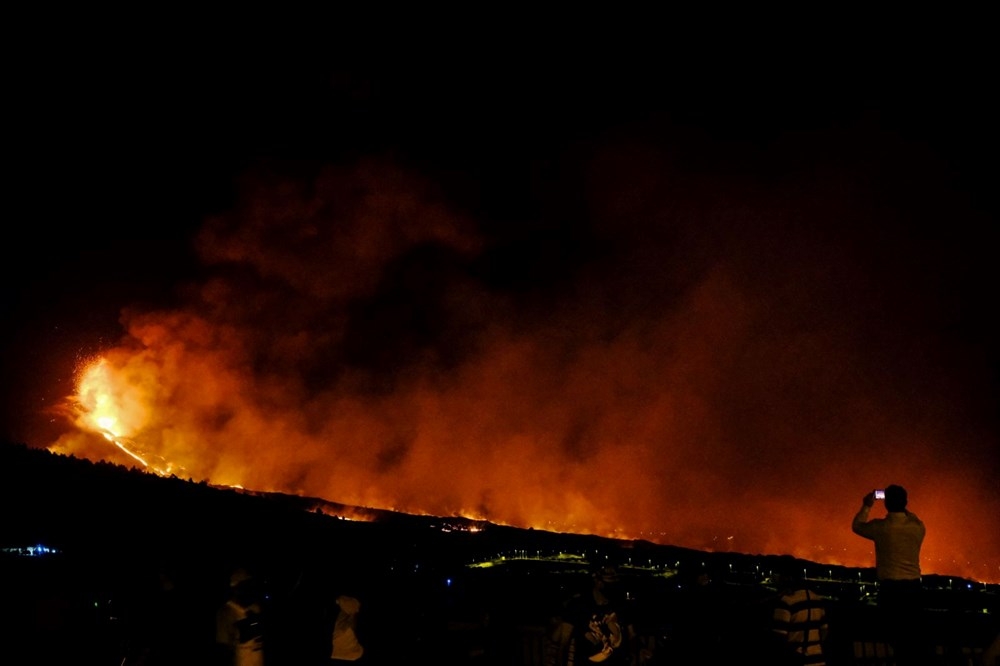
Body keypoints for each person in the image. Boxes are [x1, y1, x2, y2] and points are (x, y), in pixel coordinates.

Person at [851, 484, 928, 665]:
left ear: (886, 504)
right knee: (911, 638)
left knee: (893, 636)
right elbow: (912, 517)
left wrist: (867, 505)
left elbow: (857, 526)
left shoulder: (881, 527)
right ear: (906, 502)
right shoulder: (918, 527)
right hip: (914, 590)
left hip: (891, 591)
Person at [551, 564, 636, 665]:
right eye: (608, 584)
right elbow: (563, 643)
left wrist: (637, 652)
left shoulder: (621, 605)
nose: (612, 587)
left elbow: (632, 636)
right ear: (597, 581)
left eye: (614, 584)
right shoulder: (578, 605)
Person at [769, 565, 829, 665]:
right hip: (818, 659)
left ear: (788, 578)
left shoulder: (786, 601)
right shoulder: (817, 599)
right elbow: (824, 630)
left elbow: (778, 639)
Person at [215, 567, 266, 666]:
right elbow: (223, 648)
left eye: (250, 584)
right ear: (236, 588)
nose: (249, 589)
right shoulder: (226, 612)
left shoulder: (255, 608)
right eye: (245, 585)